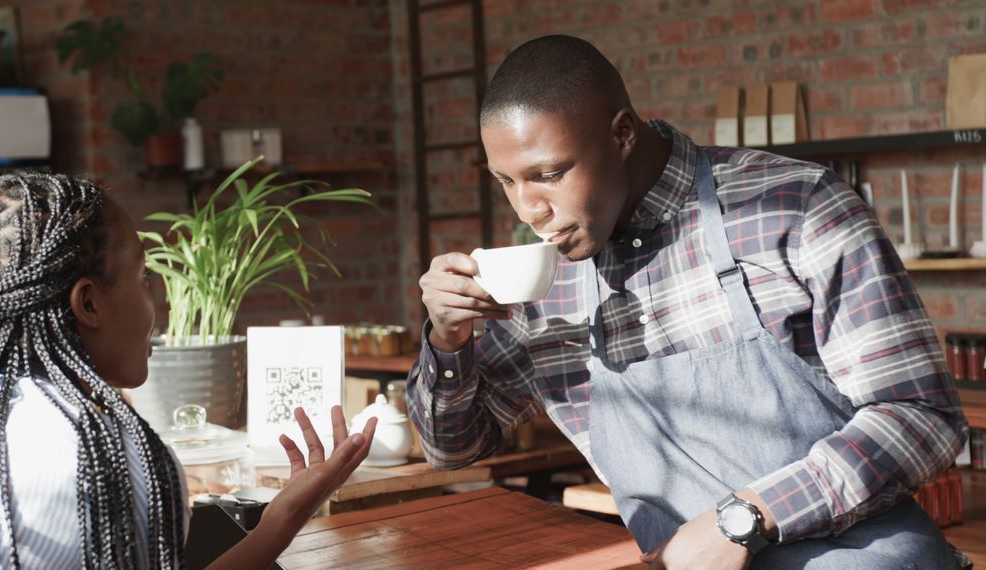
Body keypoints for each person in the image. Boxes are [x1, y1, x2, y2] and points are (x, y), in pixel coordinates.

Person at [408, 35, 968, 569]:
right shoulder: (546, 282)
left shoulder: (794, 208)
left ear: (622, 133)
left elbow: (922, 418)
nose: (529, 209)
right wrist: (447, 339)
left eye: (549, 174)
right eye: (506, 181)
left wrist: (746, 518)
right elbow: (453, 449)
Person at [0, 172, 377, 568]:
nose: (158, 308)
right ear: (88, 303)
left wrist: (281, 519)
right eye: (144, 278)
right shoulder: (101, 456)